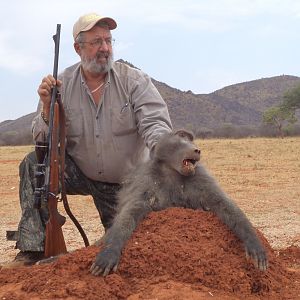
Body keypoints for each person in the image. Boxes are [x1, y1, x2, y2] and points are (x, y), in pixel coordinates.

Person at [7, 13, 172, 267]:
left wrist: (166, 152)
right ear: (78, 48)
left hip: (128, 184)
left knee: (133, 250)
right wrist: (46, 108)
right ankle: (34, 249)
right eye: (96, 42)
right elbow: (41, 139)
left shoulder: (134, 81)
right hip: (83, 174)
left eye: (108, 40)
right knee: (33, 164)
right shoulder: (61, 85)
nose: (105, 48)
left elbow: (156, 126)